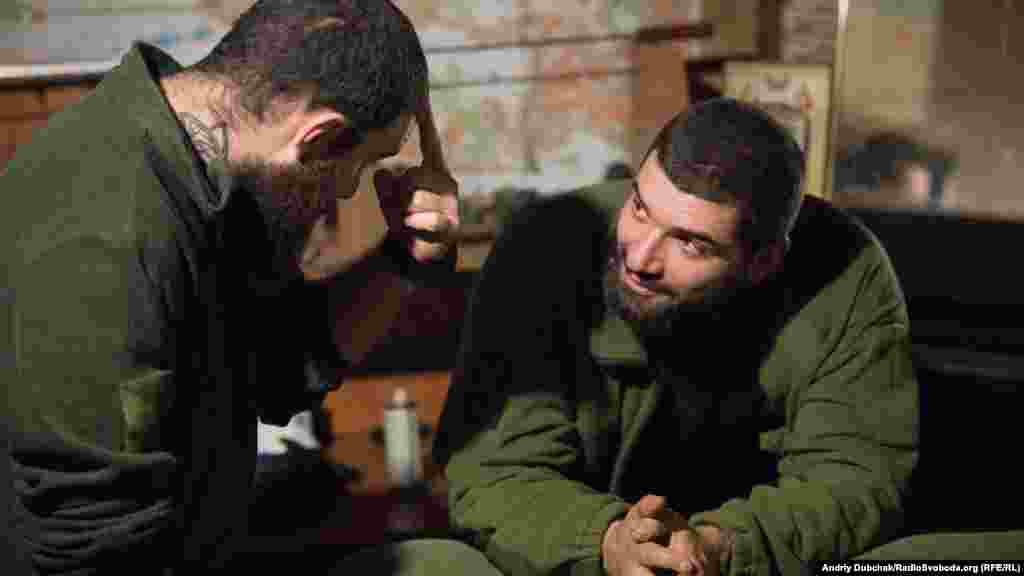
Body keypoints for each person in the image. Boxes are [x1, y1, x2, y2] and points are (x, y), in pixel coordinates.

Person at [1, 0, 459, 573]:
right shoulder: (106, 234)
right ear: (318, 140)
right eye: (362, 165)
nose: (345, 193)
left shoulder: (201, 169)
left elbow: (282, 369)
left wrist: (406, 258)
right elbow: (93, 548)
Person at [430, 98, 922, 575]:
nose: (641, 258)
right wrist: (606, 541)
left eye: (690, 242)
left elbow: (856, 482)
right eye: (640, 209)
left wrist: (719, 549)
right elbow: (494, 472)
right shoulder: (547, 245)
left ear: (764, 261)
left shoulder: (849, 278)